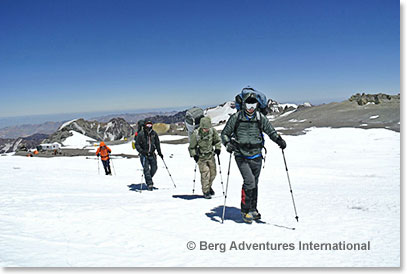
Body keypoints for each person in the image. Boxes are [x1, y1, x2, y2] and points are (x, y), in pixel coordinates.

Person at [221, 92, 287, 224]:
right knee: (249, 181)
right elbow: (225, 134)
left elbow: (270, 131)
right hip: (241, 154)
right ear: (244, 104)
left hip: (257, 155)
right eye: (248, 104)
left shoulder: (260, 117)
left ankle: (253, 209)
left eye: (253, 104)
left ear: (257, 105)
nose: (251, 107)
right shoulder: (236, 117)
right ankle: (245, 211)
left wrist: (278, 140)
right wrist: (228, 144)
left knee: (254, 183)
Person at [188, 116, 221, 199]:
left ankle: (209, 187)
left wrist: (217, 148)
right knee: (205, 174)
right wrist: (194, 155)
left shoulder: (212, 131)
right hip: (201, 157)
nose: (206, 129)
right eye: (205, 128)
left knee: (213, 173)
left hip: (210, 155)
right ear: (201, 127)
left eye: (208, 128)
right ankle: (206, 191)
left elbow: (217, 141)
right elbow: (191, 147)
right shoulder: (196, 134)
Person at [135, 120, 163, 191]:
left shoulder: (154, 134)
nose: (149, 127)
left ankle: (148, 178)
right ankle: (149, 184)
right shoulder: (141, 134)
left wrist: (159, 152)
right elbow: (137, 144)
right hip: (144, 155)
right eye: (148, 125)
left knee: (154, 168)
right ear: (145, 126)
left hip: (152, 154)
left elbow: (157, 144)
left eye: (150, 125)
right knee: (146, 169)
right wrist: (141, 151)